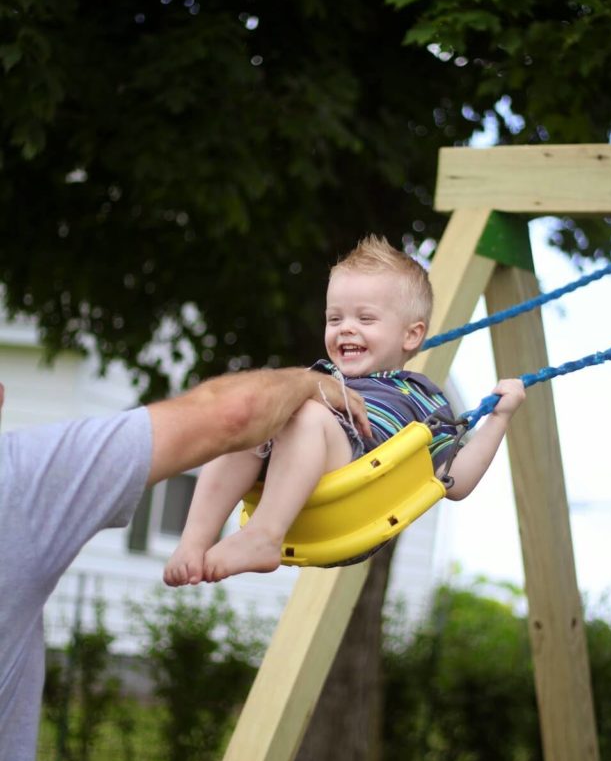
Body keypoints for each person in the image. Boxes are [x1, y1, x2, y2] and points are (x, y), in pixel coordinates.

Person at [0, 369, 369, 761]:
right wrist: (309, 382)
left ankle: (207, 538)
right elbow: (232, 415)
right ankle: (249, 534)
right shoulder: (18, 480)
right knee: (273, 426)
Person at [164, 236, 525, 585]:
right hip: (298, 493)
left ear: (411, 336)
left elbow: (455, 481)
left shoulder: (420, 395)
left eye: (365, 319)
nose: (346, 329)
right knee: (255, 419)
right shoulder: (320, 377)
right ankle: (195, 541)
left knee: (306, 414)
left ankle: (263, 536)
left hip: (355, 492)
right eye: (335, 319)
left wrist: (499, 418)